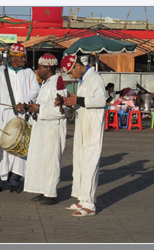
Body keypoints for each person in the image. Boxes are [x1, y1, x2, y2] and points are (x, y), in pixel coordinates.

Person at [55, 54, 106, 217]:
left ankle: (89, 204)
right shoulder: (83, 79)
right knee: (79, 161)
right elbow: (82, 100)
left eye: (70, 72)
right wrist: (68, 100)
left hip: (93, 125)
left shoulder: (95, 77)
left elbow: (101, 100)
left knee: (90, 161)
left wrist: (79, 100)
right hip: (82, 123)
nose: (70, 76)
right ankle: (82, 199)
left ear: (77, 66)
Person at [0, 43, 40, 194]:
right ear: (13, 57)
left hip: (23, 116)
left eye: (24, 56)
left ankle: (15, 180)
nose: (24, 59)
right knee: (0, 150)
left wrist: (25, 102)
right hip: (4, 117)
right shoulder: (1, 74)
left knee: (21, 147)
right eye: (21, 57)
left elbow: (35, 90)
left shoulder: (29, 73)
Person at [24, 53, 67, 205]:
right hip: (42, 128)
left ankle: (51, 193)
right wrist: (32, 108)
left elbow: (61, 111)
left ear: (48, 68)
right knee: (41, 160)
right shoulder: (45, 83)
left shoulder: (58, 84)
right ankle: (43, 190)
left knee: (50, 161)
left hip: (52, 130)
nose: (37, 69)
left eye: (40, 67)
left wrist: (39, 108)